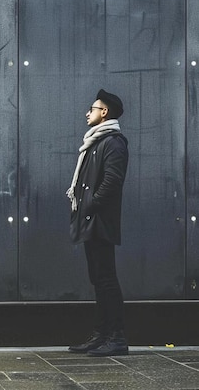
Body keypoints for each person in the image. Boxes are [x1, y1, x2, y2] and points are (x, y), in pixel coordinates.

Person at [66, 89, 129, 357]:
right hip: (92, 221)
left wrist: (91, 204)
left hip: (100, 221)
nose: (87, 113)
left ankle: (116, 337)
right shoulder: (96, 142)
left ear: (104, 112)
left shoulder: (113, 142)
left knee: (105, 279)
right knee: (99, 278)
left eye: (92, 108)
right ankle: (102, 334)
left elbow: (112, 182)